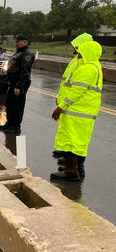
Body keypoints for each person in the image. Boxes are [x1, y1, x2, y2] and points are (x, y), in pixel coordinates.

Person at [50, 40, 103, 181]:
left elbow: (76, 92)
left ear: (87, 53)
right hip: (84, 112)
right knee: (79, 143)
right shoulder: (95, 66)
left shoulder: (87, 69)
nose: (78, 55)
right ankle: (78, 169)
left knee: (70, 142)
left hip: (76, 111)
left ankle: (71, 172)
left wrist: (60, 107)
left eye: (80, 52)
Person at [0, 33, 35, 134]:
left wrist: (19, 86)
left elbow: (25, 72)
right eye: (16, 41)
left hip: (20, 83)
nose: (16, 43)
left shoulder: (27, 54)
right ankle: (9, 123)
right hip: (13, 82)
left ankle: (16, 126)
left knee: (17, 105)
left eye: (18, 41)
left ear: (25, 42)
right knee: (10, 104)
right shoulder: (19, 52)